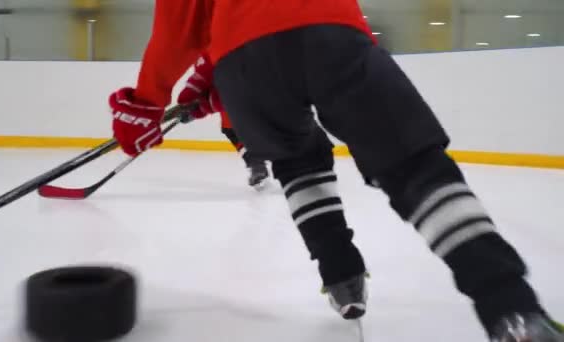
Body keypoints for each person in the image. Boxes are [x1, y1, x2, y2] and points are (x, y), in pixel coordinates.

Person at [107, 1, 563, 340]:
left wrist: (149, 102)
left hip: (244, 60)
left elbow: (181, 26)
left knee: (298, 163)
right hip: (332, 28)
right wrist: (215, 71)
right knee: (414, 167)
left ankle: (341, 275)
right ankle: (513, 312)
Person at [176, 54, 270, 189]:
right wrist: (194, 104)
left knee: (240, 128)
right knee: (231, 129)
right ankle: (257, 165)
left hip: (244, 92)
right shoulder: (200, 51)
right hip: (234, 96)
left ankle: (260, 164)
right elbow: (206, 81)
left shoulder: (214, 46)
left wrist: (198, 109)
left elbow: (222, 82)